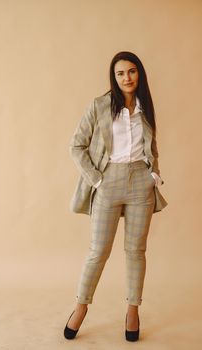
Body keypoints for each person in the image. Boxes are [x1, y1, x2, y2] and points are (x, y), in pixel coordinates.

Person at [63, 51, 168, 342]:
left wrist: (153, 175)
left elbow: (152, 146)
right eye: (121, 73)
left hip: (140, 185)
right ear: (114, 76)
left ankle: (133, 310)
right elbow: (76, 145)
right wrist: (97, 179)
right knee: (98, 251)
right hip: (107, 180)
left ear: (139, 74)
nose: (127, 77)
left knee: (136, 252)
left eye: (132, 71)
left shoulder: (145, 106)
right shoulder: (99, 106)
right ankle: (80, 307)